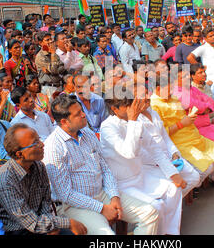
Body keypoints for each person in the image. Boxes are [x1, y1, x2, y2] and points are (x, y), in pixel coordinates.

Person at [42, 94, 159, 235]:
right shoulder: (53, 146)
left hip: (102, 194)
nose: (84, 115)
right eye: (78, 114)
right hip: (73, 207)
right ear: (65, 122)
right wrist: (102, 208)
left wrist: (114, 196)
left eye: (81, 110)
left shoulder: (87, 133)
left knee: (150, 213)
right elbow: (65, 194)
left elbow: (105, 168)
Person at [100, 94, 184, 235]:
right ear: (114, 108)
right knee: (157, 206)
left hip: (141, 176)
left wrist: (173, 174)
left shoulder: (135, 121)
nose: (132, 109)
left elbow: (155, 149)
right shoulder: (108, 127)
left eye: (132, 105)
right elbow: (129, 152)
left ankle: (168, 232)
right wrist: (133, 121)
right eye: (127, 106)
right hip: (123, 184)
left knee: (173, 188)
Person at [0, 123, 87, 235]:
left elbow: (45, 202)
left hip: (40, 222)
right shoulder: (5, 181)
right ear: (20, 154)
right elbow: (30, 222)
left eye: (39, 139)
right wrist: (67, 223)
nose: (42, 144)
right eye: (35, 143)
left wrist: (49, 226)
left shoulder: (39, 166)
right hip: (18, 229)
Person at [150, 73, 214, 184]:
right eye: (169, 89)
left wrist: (189, 117)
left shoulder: (173, 98)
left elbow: (181, 117)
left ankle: (209, 180)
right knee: (206, 167)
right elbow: (161, 133)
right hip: (180, 142)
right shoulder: (154, 105)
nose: (171, 92)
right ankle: (196, 186)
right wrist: (181, 124)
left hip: (194, 136)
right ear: (158, 88)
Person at [172, 67, 214, 188]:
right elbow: (192, 105)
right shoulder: (176, 91)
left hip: (207, 124)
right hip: (196, 128)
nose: (187, 78)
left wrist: (204, 109)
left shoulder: (193, 88)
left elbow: (210, 102)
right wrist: (205, 108)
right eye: (182, 77)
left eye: (187, 75)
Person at [35, 32, 66, 98]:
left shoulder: (55, 54)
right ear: (41, 43)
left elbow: (62, 68)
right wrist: (53, 54)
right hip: (48, 88)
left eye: (51, 39)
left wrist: (53, 70)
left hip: (58, 86)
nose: (51, 41)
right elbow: (54, 70)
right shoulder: (40, 56)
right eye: (47, 40)